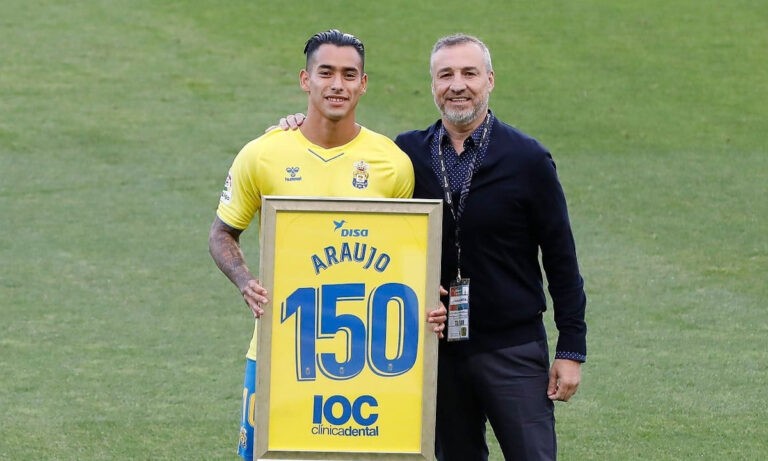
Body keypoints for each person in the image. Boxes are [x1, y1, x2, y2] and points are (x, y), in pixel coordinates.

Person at [275, 33, 587, 461]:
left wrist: (570, 350)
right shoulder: (405, 154)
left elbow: (561, 260)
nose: (457, 85)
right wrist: (297, 128)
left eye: (469, 73)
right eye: (445, 75)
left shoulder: (528, 160)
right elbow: (349, 187)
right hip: (435, 352)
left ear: (490, 80)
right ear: (433, 84)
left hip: (511, 348)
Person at [208, 29, 447, 461]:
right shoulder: (263, 154)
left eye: (349, 74)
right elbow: (222, 232)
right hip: (279, 351)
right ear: (306, 79)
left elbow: (409, 252)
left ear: (363, 83)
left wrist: (428, 298)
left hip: (369, 360)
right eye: (326, 72)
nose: (338, 84)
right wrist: (245, 281)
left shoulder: (392, 163)